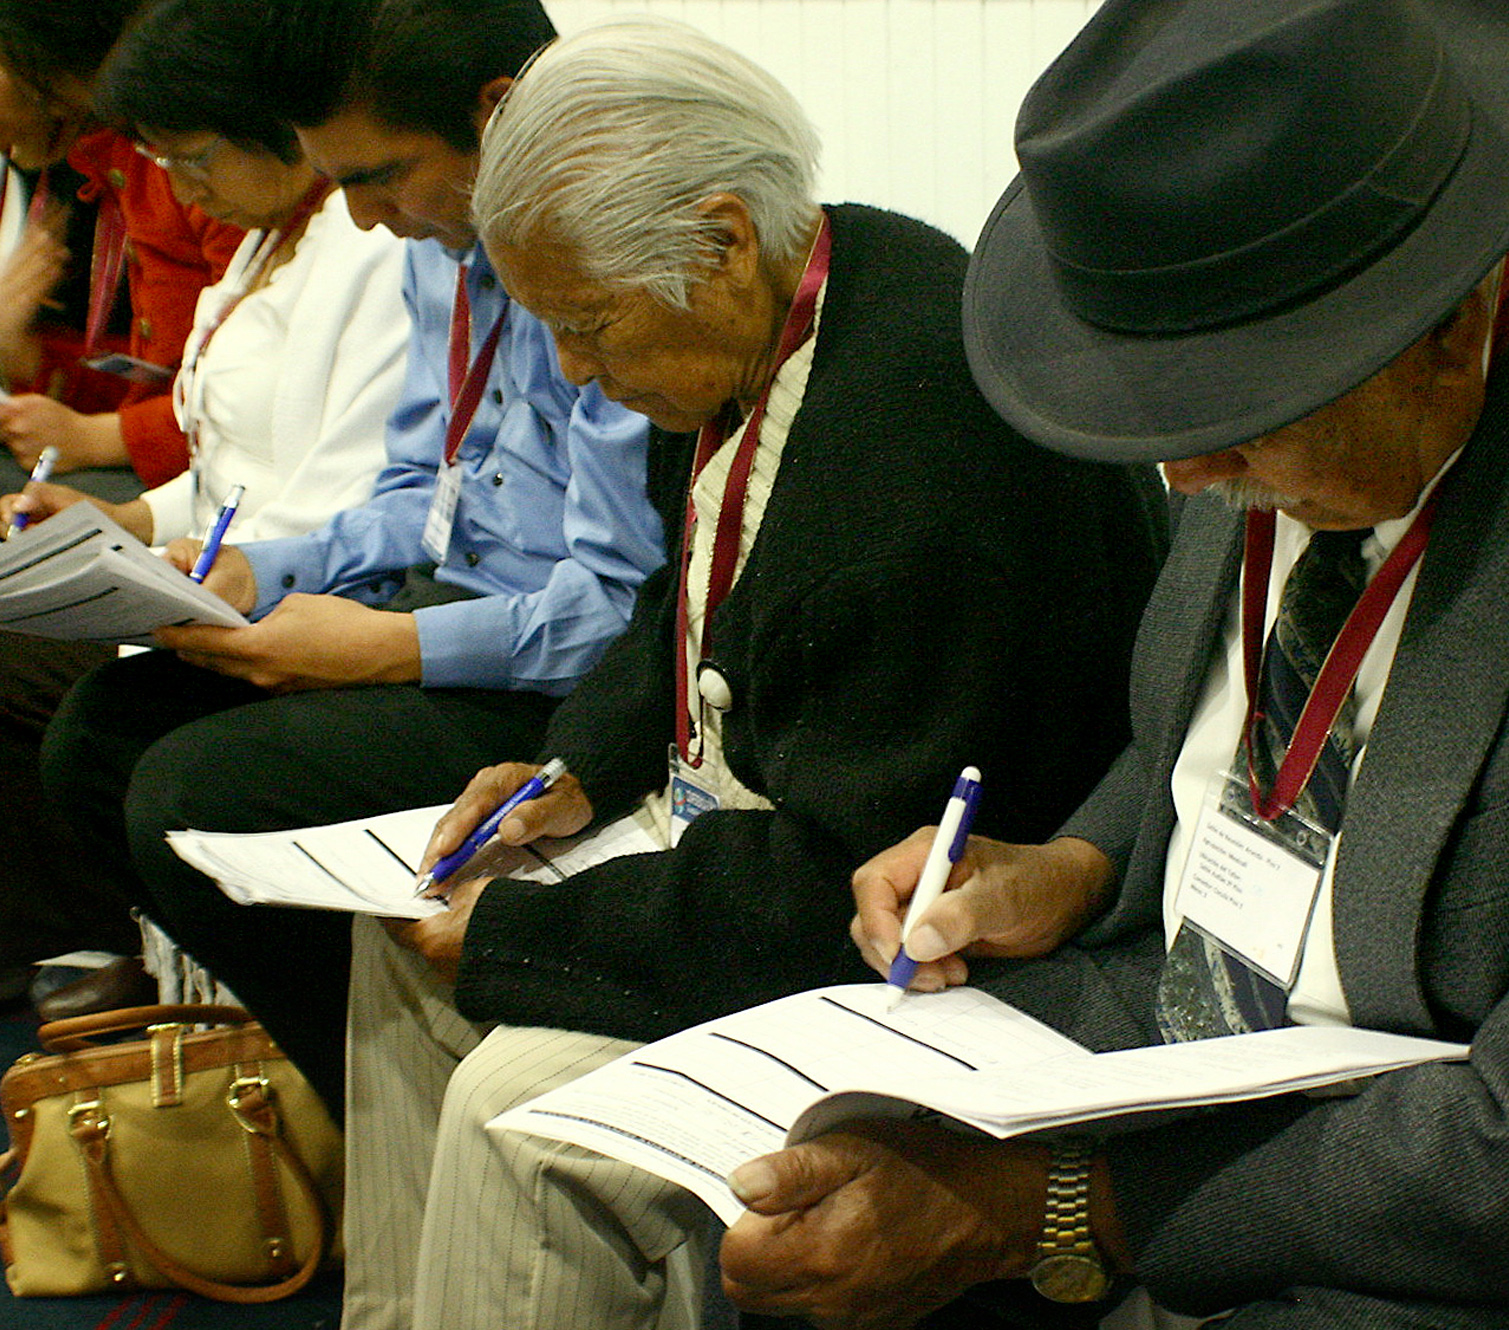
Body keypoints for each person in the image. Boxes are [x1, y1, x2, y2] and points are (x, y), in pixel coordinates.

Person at [705, 1, 1509, 1326]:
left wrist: (1048, 1200)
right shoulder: (1272, 343)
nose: (1184, 476)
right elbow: (1213, 720)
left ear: (1445, 333)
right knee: (802, 1217)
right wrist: (1077, 863)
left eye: (1235, 427)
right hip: (1206, 1028)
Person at [343, 20, 1167, 1330]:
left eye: (584, 323)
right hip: (743, 825)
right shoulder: (787, 305)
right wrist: (574, 768)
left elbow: (836, 868)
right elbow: (687, 601)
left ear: (722, 237)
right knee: (392, 940)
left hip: (905, 928)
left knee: (520, 1119)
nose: (571, 370)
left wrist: (520, 935)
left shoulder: (923, 438)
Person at [38, 0, 662, 1103]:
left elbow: (622, 611)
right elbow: (419, 493)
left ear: (497, 114)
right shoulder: (443, 249)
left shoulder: (606, 260)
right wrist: (267, 571)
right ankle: (347, 1084)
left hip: (571, 683)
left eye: (380, 177)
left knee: (191, 786)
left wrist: (386, 649)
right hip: (450, 603)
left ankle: (378, 1102)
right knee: (97, 733)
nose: (366, 220)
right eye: (342, 184)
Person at [0, 0, 410, 1023]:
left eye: (194, 158)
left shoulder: (367, 248)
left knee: (7, 688)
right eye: (163, 160)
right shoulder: (264, 242)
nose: (182, 190)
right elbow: (225, 459)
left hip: (304, 587)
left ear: (275, 130)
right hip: (227, 561)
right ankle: (97, 941)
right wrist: (121, 523)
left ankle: (127, 949)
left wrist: (176, 560)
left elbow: (346, 495)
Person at [0, 0, 238, 1039]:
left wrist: (68, 419)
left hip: (157, 472)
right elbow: (113, 370)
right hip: (105, 451)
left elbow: (188, 401)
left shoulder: (160, 172)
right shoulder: (42, 174)